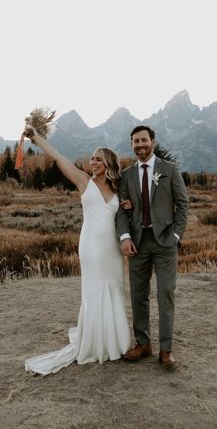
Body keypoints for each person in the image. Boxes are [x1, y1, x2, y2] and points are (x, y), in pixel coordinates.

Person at [23, 128, 130, 375]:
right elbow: (59, 158)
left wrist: (129, 205)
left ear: (109, 163)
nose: (92, 162)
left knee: (114, 288)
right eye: (92, 158)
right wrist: (37, 139)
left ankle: (113, 342)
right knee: (94, 290)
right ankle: (93, 342)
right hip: (91, 246)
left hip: (112, 248)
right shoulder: (84, 181)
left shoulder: (118, 191)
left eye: (98, 158)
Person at [115, 125, 188, 371]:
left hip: (165, 242)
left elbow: (183, 205)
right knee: (138, 295)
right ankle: (143, 343)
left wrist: (176, 236)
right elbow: (121, 210)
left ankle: (165, 350)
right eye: (135, 141)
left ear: (153, 142)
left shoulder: (169, 170)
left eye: (144, 140)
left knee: (166, 291)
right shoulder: (125, 175)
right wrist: (125, 237)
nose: (140, 145)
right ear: (131, 144)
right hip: (137, 242)